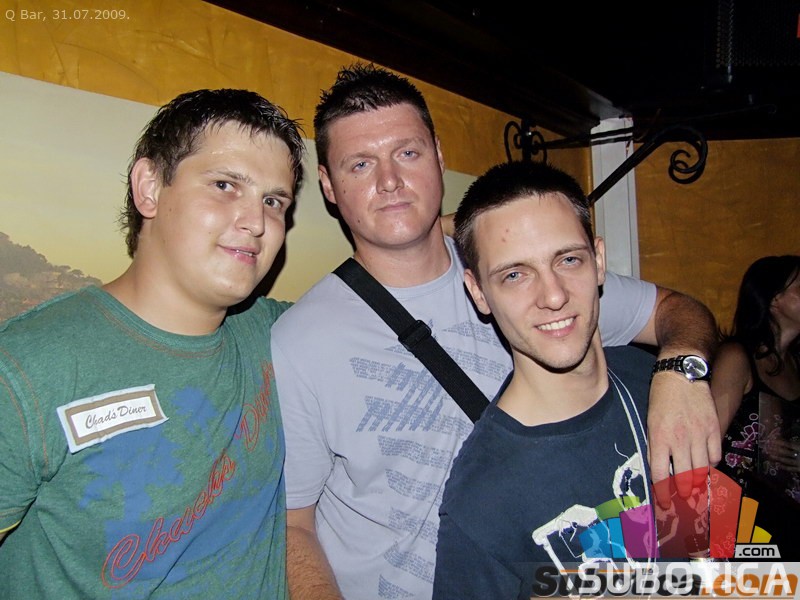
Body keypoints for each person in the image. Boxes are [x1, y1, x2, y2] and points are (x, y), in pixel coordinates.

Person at [271, 63, 718, 600]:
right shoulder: (304, 341)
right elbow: (293, 526)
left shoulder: (524, 266)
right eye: (361, 164)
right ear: (328, 185)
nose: (389, 181)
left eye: (407, 153)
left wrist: (681, 371)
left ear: (439, 156)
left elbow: (676, 310)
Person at [0, 89, 305, 598]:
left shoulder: (279, 335)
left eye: (273, 201)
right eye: (225, 185)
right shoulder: (29, 366)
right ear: (149, 188)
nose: (256, 222)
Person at [432, 160, 657, 599]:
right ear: (478, 292)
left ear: (598, 261)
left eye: (568, 259)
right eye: (515, 275)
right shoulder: (482, 502)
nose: (553, 295)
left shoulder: (654, 380)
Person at [712, 255, 800, 553]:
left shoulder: (797, 363)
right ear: (774, 300)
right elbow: (705, 442)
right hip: (741, 520)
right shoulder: (736, 357)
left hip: (789, 518)